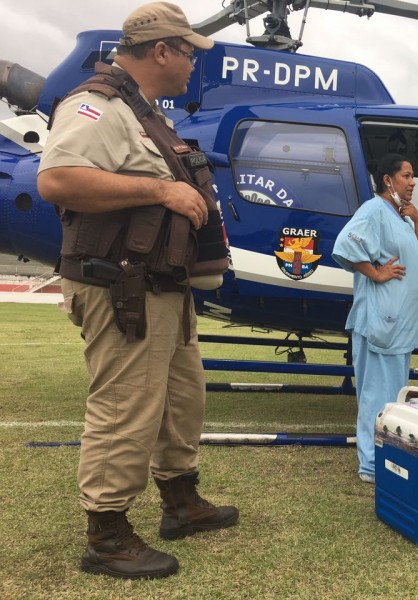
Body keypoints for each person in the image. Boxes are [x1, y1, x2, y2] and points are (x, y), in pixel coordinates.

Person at [37, 2, 238, 579]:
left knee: (181, 400)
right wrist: (161, 193)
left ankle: (180, 501)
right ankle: (107, 533)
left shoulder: (144, 112)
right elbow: (57, 179)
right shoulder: (94, 105)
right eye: (189, 54)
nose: (194, 66)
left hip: (162, 285)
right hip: (121, 285)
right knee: (126, 405)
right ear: (162, 51)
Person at [332, 154, 418, 483]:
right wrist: (376, 273)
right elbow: (346, 244)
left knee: (393, 396)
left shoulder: (402, 217)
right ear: (388, 179)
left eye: (413, 175)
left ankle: (388, 457)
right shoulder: (374, 209)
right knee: (376, 396)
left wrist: (417, 220)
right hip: (380, 322)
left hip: (400, 325)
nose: (412, 181)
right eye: (407, 175)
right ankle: (371, 465)